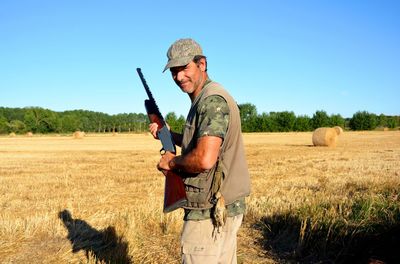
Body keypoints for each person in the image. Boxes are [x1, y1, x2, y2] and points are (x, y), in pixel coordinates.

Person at [149, 38, 251, 263]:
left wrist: (171, 163)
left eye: (184, 68)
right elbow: (199, 142)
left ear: (201, 64)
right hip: (223, 205)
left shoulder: (211, 102)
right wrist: (167, 134)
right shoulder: (208, 98)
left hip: (209, 210)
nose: (178, 77)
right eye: (174, 71)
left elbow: (204, 159)